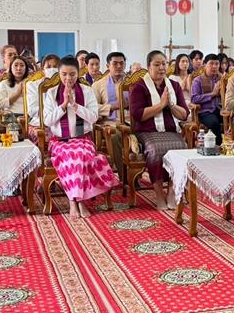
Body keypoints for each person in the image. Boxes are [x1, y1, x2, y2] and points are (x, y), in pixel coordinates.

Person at [43, 56, 116, 218]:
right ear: (59, 74)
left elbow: (93, 117)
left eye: (72, 74)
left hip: (83, 139)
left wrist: (75, 105)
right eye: (64, 74)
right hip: (60, 141)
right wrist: (63, 105)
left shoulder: (86, 91)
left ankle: (78, 200)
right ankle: (75, 202)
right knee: (72, 156)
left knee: (80, 155)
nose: (68, 78)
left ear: (78, 74)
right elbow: (48, 120)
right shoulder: (52, 93)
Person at [129, 50, 189, 209]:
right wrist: (160, 106)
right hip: (147, 132)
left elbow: (184, 115)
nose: (161, 67)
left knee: (181, 148)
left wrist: (171, 105)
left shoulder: (173, 86)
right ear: (148, 67)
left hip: (171, 131)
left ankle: (171, 192)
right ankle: (159, 195)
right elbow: (137, 115)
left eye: (164, 64)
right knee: (156, 150)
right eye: (157, 64)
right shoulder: (139, 87)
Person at [93, 52, 128, 175]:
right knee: (114, 135)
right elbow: (93, 108)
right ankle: (124, 174)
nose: (119, 66)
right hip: (110, 122)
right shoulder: (98, 85)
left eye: (121, 63)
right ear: (108, 65)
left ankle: (138, 172)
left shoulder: (133, 83)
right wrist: (112, 107)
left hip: (132, 120)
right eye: (115, 63)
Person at [26, 54, 60, 141]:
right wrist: (53, 112)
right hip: (40, 122)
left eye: (55, 66)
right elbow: (32, 111)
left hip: (61, 122)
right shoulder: (33, 85)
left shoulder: (65, 84)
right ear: (42, 69)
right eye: (48, 67)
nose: (52, 69)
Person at [191, 53, 223, 145]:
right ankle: (218, 146)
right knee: (214, 123)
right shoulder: (198, 80)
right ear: (205, 65)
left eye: (217, 64)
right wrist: (212, 94)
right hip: (205, 111)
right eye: (211, 64)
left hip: (220, 109)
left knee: (233, 120)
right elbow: (194, 98)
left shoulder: (222, 79)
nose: (214, 66)